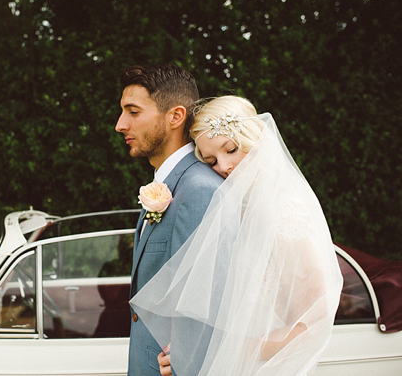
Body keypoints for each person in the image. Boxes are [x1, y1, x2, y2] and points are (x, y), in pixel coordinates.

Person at [130, 95, 344, 375]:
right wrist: (188, 351)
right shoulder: (239, 212)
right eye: (211, 161)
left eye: (230, 149)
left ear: (253, 139)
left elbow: (316, 318)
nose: (224, 166)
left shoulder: (285, 213)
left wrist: (235, 348)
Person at [115, 64, 223, 376]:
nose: (120, 125)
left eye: (133, 112)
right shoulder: (168, 184)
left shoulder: (199, 190)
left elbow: (205, 309)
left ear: (175, 117)